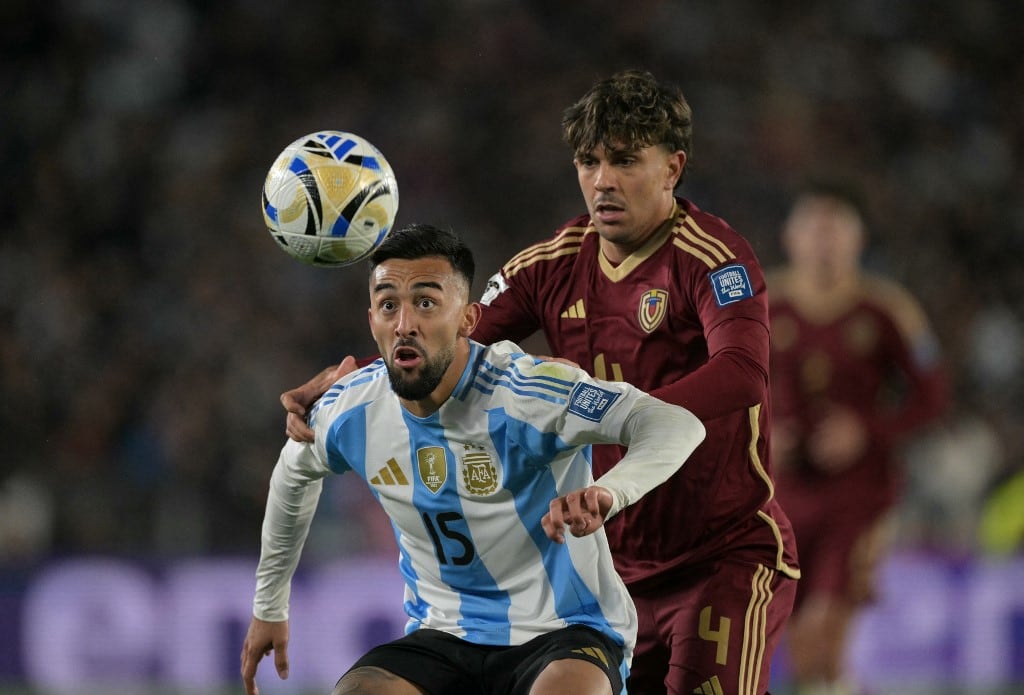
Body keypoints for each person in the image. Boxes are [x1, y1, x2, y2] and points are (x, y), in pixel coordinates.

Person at [282, 69, 800, 695]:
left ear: (673, 168)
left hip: (718, 556)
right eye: (589, 161)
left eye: (625, 161)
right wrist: (350, 378)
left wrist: (630, 420)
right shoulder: (549, 265)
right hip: (608, 566)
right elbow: (449, 337)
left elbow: (743, 373)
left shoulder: (713, 259)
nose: (602, 180)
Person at [241, 223, 707, 695]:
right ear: (372, 320)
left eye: (426, 303)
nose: (404, 324)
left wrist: (611, 491)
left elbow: (673, 423)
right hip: (444, 636)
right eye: (389, 305)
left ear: (468, 319)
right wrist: (269, 606)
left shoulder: (528, 393)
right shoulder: (353, 410)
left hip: (565, 631)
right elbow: (292, 474)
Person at [767, 180, 948, 695]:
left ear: (858, 238)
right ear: (791, 236)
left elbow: (932, 396)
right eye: (813, 227)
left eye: (835, 228)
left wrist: (868, 431)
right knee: (802, 646)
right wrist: (757, 431)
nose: (823, 241)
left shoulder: (887, 310)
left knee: (827, 629)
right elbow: (718, 384)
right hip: (780, 493)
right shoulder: (759, 306)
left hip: (860, 497)